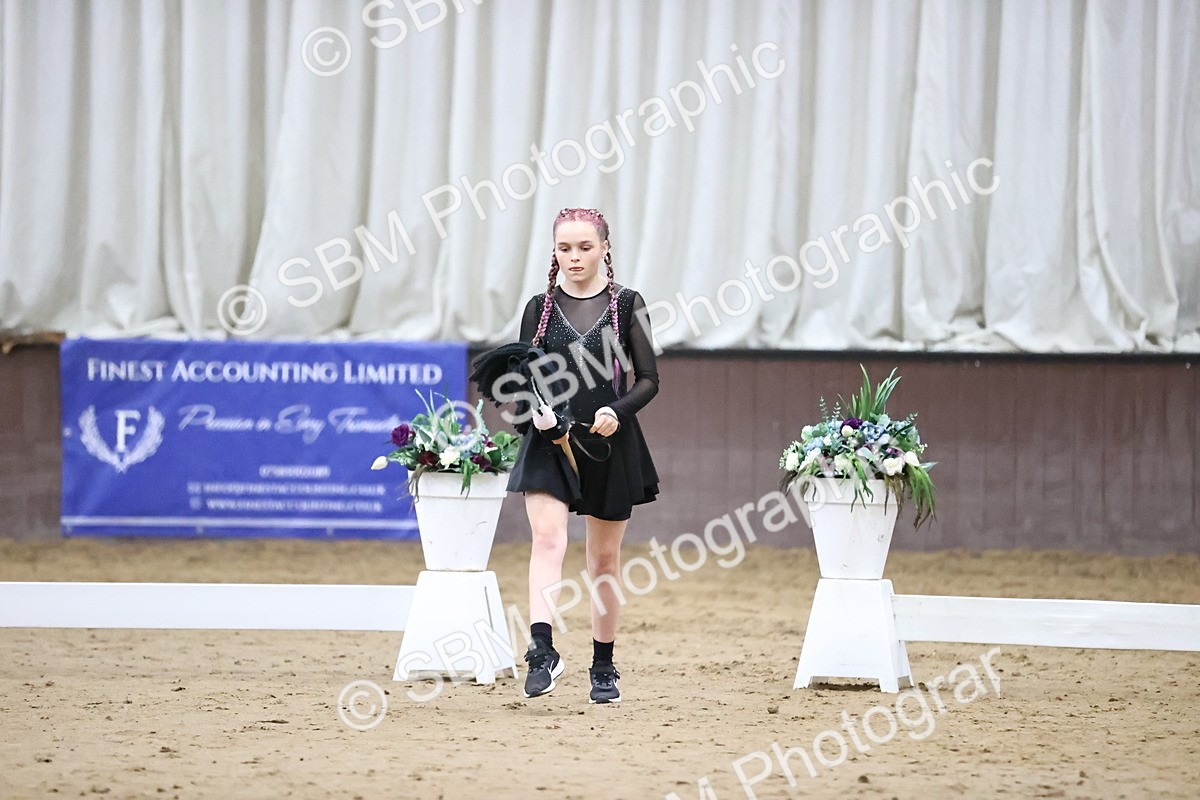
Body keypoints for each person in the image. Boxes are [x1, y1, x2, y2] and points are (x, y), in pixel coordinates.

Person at [505, 207, 660, 704]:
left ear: (605, 249)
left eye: (585, 248)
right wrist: (538, 413)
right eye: (565, 248)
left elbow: (649, 379)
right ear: (554, 252)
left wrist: (618, 410)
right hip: (550, 439)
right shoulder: (539, 308)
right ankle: (542, 652)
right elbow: (522, 380)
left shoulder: (628, 305)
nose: (574, 257)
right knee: (547, 541)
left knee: (603, 560)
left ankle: (603, 666)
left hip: (608, 443)